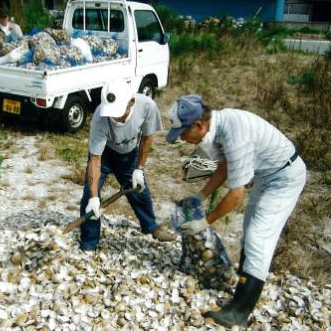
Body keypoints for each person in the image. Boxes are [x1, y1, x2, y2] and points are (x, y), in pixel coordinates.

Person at [166, 95, 306, 327]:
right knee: (249, 231)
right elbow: (225, 167)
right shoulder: (220, 127)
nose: (181, 138)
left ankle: (240, 311)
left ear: (198, 125)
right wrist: (201, 196)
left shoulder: (234, 133)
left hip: (285, 177)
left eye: (182, 133)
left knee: (258, 238)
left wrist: (205, 222)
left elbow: (236, 195)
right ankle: (245, 282)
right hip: (267, 174)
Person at [79, 79, 175, 251]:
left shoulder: (147, 106)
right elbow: (95, 160)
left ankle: (151, 226)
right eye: (112, 113)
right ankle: (89, 241)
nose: (114, 117)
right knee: (89, 196)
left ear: (131, 102)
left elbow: (147, 138)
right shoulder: (100, 117)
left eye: (118, 112)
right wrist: (94, 198)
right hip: (105, 154)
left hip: (129, 154)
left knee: (139, 190)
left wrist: (139, 168)